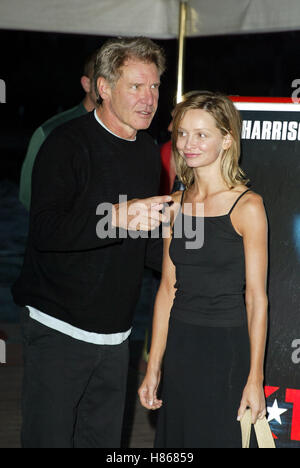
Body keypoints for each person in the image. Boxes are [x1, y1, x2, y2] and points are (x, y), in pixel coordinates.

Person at [12, 36, 170, 448]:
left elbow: (145, 241)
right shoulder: (65, 144)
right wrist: (115, 217)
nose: (149, 98)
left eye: (154, 87)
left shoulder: (149, 152)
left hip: (116, 337)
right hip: (58, 331)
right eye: (136, 86)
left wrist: (194, 258)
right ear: (103, 87)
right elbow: (46, 232)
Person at [138, 91, 269, 448]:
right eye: (182, 133)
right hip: (181, 344)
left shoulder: (247, 207)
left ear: (227, 139)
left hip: (226, 348)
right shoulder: (175, 205)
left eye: (201, 134)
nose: (187, 144)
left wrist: (255, 376)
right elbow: (167, 288)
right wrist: (153, 366)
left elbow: (256, 298)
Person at [19, 50, 98, 210]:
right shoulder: (51, 132)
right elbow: (29, 197)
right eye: (103, 80)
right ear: (87, 84)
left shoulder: (135, 133)